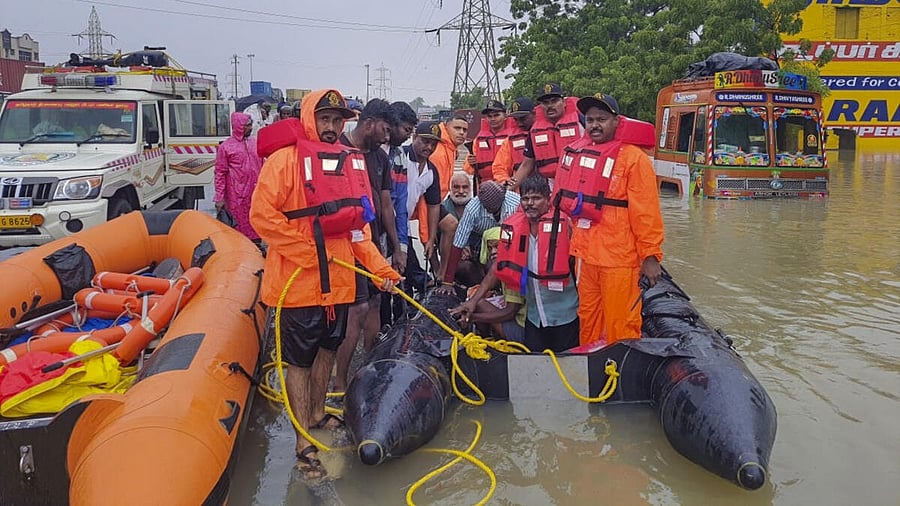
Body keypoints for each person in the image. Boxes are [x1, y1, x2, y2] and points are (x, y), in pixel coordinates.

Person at [249, 89, 401, 480]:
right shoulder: (284, 163)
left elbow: (359, 231)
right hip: (297, 285)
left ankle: (316, 412)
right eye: (325, 120)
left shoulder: (352, 165)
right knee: (297, 362)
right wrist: (306, 253)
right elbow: (261, 216)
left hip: (340, 284)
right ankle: (303, 441)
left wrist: (383, 270)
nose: (332, 128)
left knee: (328, 351)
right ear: (308, 120)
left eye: (338, 121)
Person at [556, 93, 663, 346]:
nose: (595, 125)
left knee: (621, 323)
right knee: (588, 318)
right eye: (590, 119)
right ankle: (590, 370)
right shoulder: (581, 153)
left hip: (619, 259)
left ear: (616, 121)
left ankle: (619, 374)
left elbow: (646, 213)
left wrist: (650, 257)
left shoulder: (635, 160)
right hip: (586, 256)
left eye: (602, 119)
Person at [452, 176, 578, 352]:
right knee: (535, 369)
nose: (530, 203)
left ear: (548, 199)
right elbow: (497, 267)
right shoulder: (514, 230)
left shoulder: (566, 227)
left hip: (566, 316)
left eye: (536, 198)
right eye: (525, 198)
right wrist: (473, 302)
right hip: (534, 319)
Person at [334, 98, 402, 395]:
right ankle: (339, 381)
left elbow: (386, 205)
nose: (388, 137)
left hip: (371, 242)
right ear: (369, 122)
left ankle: (370, 366)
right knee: (355, 309)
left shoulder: (380, 159)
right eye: (385, 130)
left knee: (375, 302)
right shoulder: (335, 149)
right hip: (343, 246)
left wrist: (396, 247)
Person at [439, 180, 520, 287]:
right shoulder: (472, 209)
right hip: (479, 239)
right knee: (469, 267)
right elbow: (458, 244)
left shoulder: (515, 203)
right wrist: (447, 282)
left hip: (512, 240)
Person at [382, 101, 418, 323]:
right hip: (370, 235)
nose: (408, 136)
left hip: (392, 232)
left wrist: (401, 247)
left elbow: (401, 205)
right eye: (406, 130)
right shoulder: (367, 152)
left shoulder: (399, 157)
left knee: (394, 285)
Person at [509, 84, 583, 188]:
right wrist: (509, 188)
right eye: (545, 103)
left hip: (580, 180)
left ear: (564, 102)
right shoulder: (535, 130)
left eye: (554, 101)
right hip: (551, 184)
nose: (550, 106)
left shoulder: (581, 121)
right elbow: (527, 164)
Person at [214, 112, 262, 242]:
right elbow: (220, 173)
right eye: (247, 125)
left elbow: (264, 165)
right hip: (236, 197)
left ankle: (257, 250)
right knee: (238, 230)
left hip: (255, 194)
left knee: (256, 224)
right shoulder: (226, 147)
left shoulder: (255, 143)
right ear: (239, 126)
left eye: (251, 125)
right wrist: (219, 197)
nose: (251, 128)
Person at [462, 99, 515, 186]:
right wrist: (470, 163)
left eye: (496, 115)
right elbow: (468, 170)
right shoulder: (478, 139)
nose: (493, 119)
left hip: (508, 183)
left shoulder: (513, 136)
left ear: (505, 115)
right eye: (489, 116)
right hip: (484, 185)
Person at [435, 173, 473, 282]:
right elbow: (432, 242)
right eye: (456, 187)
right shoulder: (441, 210)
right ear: (450, 188)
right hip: (450, 262)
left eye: (465, 187)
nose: (461, 191)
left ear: (470, 188)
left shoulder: (477, 208)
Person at [492, 97, 536, 186]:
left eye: (523, 118)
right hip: (520, 190)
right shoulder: (509, 141)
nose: (519, 123)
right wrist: (505, 181)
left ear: (534, 113)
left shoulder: (550, 132)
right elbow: (499, 168)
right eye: (516, 119)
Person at [430, 115, 469, 199]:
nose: (462, 132)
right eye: (457, 128)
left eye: (464, 130)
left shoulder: (450, 148)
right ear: (446, 128)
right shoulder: (438, 152)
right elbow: (432, 189)